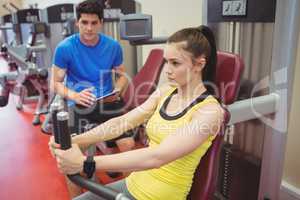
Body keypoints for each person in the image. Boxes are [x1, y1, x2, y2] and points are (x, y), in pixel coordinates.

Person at [49, 25, 224, 200]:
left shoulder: (209, 112)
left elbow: (157, 157)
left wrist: (85, 163)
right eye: (166, 62)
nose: (167, 70)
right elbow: (122, 122)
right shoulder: (166, 91)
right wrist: (77, 141)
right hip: (133, 183)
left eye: (175, 63)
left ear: (199, 64)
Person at [50, 0, 135, 197]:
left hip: (107, 102)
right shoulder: (65, 48)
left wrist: (118, 89)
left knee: (128, 145)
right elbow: (56, 83)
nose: (89, 28)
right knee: (72, 155)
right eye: (84, 22)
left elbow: (122, 75)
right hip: (80, 104)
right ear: (77, 23)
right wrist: (74, 95)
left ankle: (129, 193)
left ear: (101, 23)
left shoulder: (113, 46)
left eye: (93, 23)